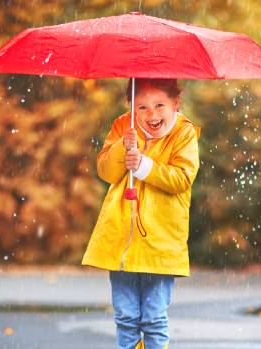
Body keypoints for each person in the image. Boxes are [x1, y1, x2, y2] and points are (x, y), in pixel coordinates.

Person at [81, 78, 201, 349]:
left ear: (176, 103)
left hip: (160, 243)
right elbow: (107, 172)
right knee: (126, 317)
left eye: (160, 105)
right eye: (142, 107)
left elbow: (182, 178)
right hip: (122, 239)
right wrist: (123, 148)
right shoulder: (124, 126)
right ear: (132, 107)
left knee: (153, 319)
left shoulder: (184, 134)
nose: (152, 114)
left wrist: (145, 166)